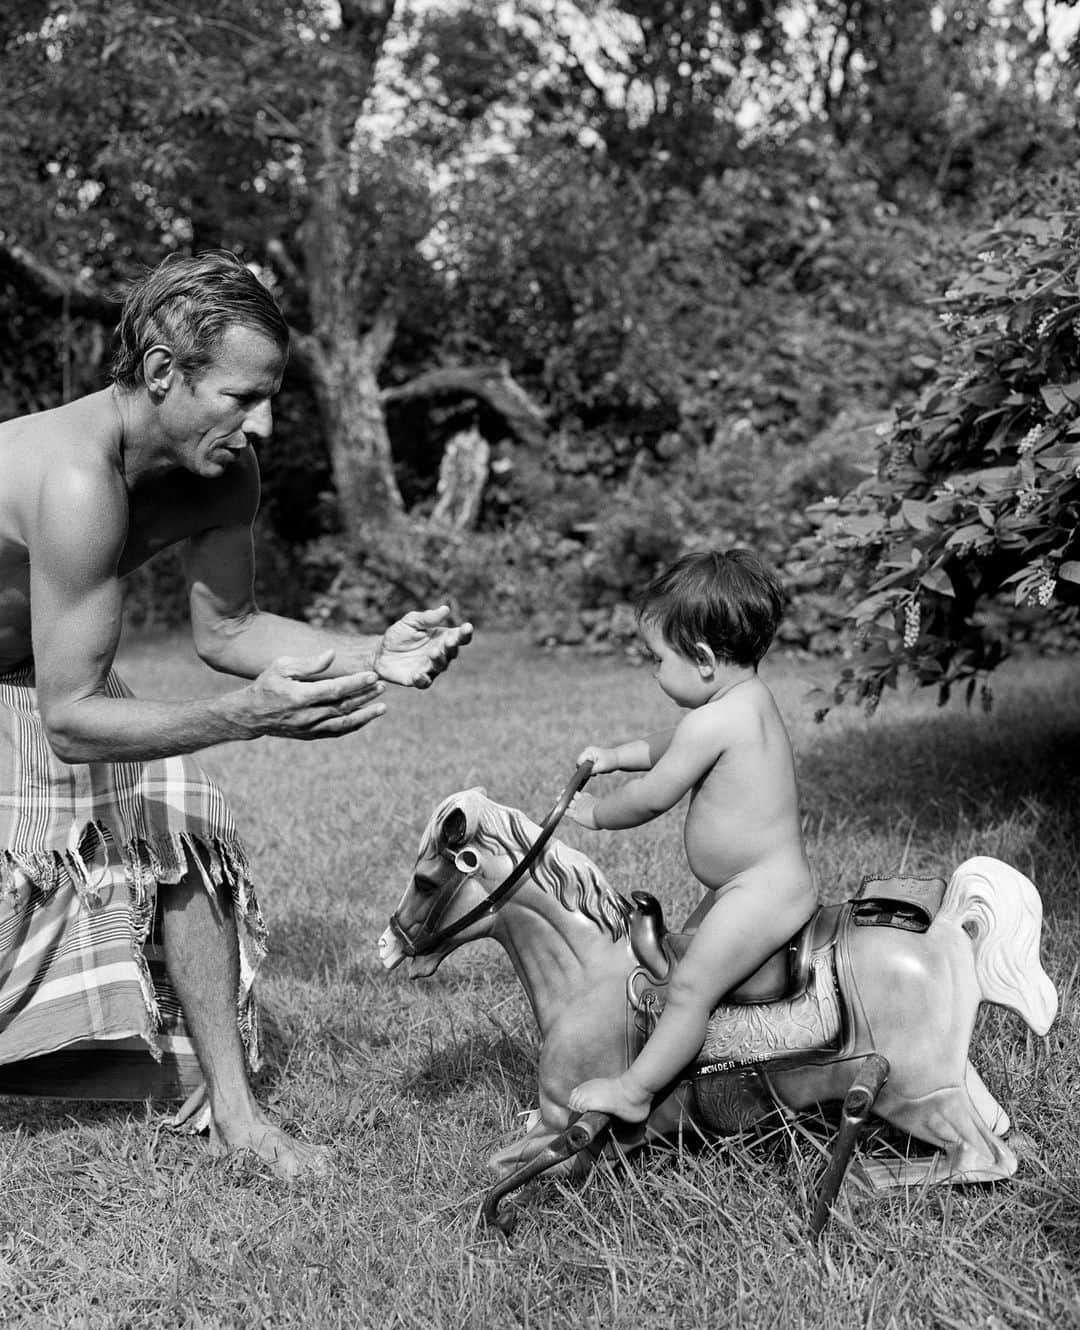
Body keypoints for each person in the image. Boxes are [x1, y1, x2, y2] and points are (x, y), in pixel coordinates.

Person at [0, 250, 472, 1178]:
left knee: (183, 810)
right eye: (240, 396)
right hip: (52, 696)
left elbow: (232, 627)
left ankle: (236, 1114)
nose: (258, 424)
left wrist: (376, 652)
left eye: (269, 398)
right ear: (164, 372)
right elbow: (75, 720)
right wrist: (244, 717)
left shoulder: (222, 472)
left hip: (31, 675)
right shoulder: (75, 480)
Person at [565, 549, 816, 1122]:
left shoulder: (715, 720)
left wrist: (596, 815)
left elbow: (655, 794)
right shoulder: (744, 699)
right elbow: (668, 742)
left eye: (657, 659)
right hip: (752, 884)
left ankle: (633, 1092)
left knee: (689, 988)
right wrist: (613, 756)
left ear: (701, 659)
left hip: (761, 891)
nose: (654, 672)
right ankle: (705, 1066)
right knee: (680, 961)